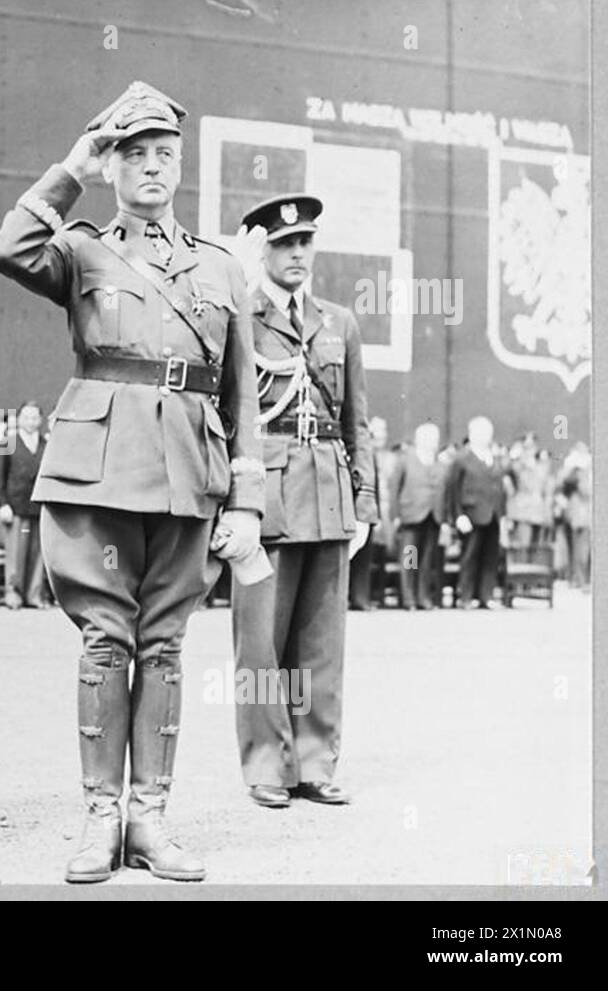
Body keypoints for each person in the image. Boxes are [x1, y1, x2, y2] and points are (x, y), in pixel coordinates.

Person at [0, 81, 264, 883]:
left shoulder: (219, 267)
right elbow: (7, 249)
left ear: (180, 164)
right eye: (133, 153)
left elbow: (241, 394)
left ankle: (150, 816)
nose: (150, 167)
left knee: (167, 645)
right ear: (112, 164)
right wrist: (72, 165)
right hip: (99, 473)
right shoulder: (79, 249)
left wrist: (246, 500)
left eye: (163, 153)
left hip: (188, 472)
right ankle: (100, 815)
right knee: (107, 641)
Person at [230, 192, 378, 810]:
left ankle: (314, 762)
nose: (296, 254)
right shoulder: (243, 312)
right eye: (284, 244)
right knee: (262, 640)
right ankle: (268, 763)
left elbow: (357, 421)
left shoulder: (338, 321)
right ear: (262, 249)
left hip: (328, 491)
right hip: (268, 493)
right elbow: (230, 408)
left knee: (321, 643)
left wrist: (364, 502)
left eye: (304, 243)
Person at [445, 416, 508, 608]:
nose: (485, 436)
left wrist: (503, 516)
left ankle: (486, 596)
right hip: (471, 516)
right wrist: (458, 516)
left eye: (488, 432)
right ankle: (465, 596)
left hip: (493, 516)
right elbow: (453, 490)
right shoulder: (462, 459)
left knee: (490, 558)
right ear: (472, 434)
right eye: (481, 432)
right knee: (469, 557)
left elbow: (500, 490)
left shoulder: (494, 458)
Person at [0, 400, 52, 608]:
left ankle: (34, 594)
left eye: (35, 417)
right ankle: (13, 594)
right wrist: (2, 504)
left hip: (39, 506)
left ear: (40, 420)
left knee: (38, 555)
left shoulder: (47, 444)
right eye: (26, 417)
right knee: (15, 555)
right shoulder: (6, 442)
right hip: (15, 506)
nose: (30, 421)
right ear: (19, 419)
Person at [391, 422, 447, 609]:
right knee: (410, 559)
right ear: (419, 439)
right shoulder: (405, 459)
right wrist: (396, 514)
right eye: (430, 438)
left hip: (433, 517)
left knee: (426, 560)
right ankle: (408, 598)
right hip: (411, 517)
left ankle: (423, 597)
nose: (433, 442)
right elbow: (394, 489)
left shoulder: (440, 462)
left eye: (435, 438)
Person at [349, 415, 394, 610]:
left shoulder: (394, 458)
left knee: (393, 557)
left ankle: (383, 595)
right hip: (377, 513)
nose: (379, 436)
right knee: (412, 554)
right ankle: (410, 595)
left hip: (390, 518)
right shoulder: (367, 455)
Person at [557, 442, 591, 591]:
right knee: (580, 549)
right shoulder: (577, 472)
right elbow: (585, 492)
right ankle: (579, 579)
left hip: (578, 515)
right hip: (580, 516)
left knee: (578, 548)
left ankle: (577, 579)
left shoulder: (572, 472)